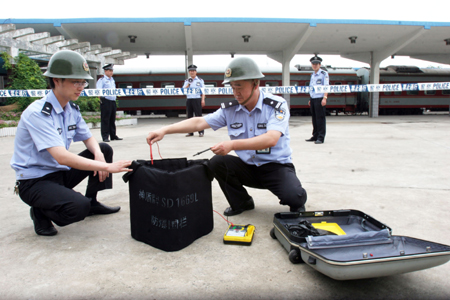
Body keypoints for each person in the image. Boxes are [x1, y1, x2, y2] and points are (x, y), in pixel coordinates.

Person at [147, 57, 307, 216]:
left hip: (276, 167)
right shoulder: (230, 110)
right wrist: (164, 130)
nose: (236, 93)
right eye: (232, 87)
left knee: (295, 198)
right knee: (217, 163)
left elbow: (271, 139)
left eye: (239, 87)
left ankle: (294, 195)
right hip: (248, 167)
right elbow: (198, 123)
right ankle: (242, 202)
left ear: (255, 84)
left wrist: (232, 145)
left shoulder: (276, 105)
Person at [10, 50, 132, 236]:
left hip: (58, 174)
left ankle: (92, 202)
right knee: (77, 208)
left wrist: (99, 156)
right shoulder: (38, 113)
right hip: (35, 181)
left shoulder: (70, 108)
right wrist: (108, 167)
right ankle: (39, 210)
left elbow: (87, 137)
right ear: (57, 80)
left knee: (103, 148)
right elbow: (61, 156)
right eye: (76, 81)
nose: (81, 86)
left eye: (83, 82)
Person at [306, 55, 329, 144]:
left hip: (320, 98)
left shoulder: (324, 74)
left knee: (320, 118)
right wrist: (310, 98)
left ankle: (320, 137)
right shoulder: (312, 75)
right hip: (313, 99)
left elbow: (326, 86)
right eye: (313, 64)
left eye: (316, 64)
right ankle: (315, 135)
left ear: (319, 65)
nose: (314, 65)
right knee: (314, 118)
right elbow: (312, 88)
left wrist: (325, 98)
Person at [97, 63, 122, 142]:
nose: (111, 72)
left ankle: (113, 135)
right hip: (106, 101)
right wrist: (101, 100)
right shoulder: (102, 80)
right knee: (105, 119)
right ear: (105, 71)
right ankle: (105, 136)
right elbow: (99, 91)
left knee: (112, 119)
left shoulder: (112, 80)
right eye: (110, 71)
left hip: (112, 101)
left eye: (112, 71)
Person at [182, 64, 206, 137]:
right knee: (189, 116)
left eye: (193, 71)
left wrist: (203, 100)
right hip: (189, 99)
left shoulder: (200, 80)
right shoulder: (187, 81)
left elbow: (203, 91)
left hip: (197, 99)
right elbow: (183, 90)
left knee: (198, 116)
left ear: (196, 72)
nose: (192, 72)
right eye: (191, 71)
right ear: (189, 72)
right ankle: (190, 132)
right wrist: (188, 84)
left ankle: (201, 132)